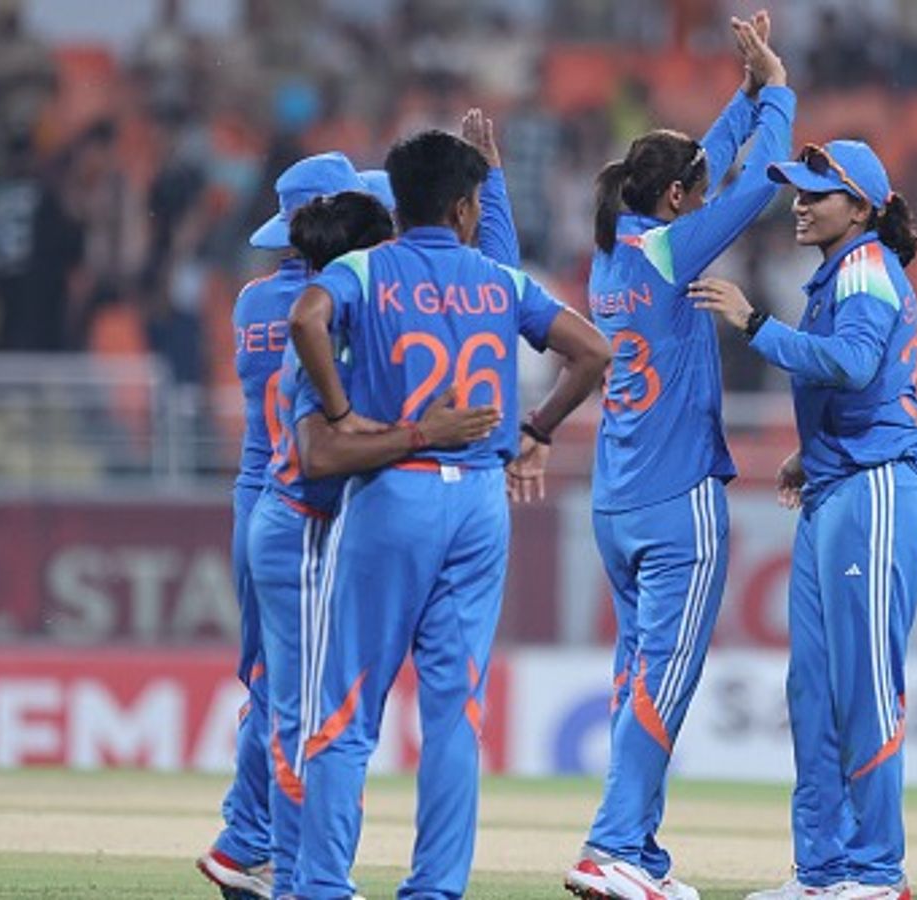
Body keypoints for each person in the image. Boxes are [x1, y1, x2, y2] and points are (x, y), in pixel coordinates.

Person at [287, 128, 609, 900]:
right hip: (477, 501)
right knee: (454, 710)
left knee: (345, 708)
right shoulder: (500, 281)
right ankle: (435, 888)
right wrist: (536, 429)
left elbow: (305, 319)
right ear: (467, 208)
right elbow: (594, 352)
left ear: (399, 203)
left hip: (395, 486)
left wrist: (339, 411)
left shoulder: (365, 268)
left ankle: (324, 885)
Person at [563, 13, 793, 900]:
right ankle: (613, 848)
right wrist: (777, 91)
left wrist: (738, 99)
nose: (701, 202)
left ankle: (639, 852)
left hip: (617, 500)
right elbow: (757, 186)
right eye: (691, 195)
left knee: (637, 677)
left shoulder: (614, 252)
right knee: (665, 682)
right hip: (677, 499)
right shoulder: (671, 246)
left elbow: (701, 170)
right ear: (673, 203)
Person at [689, 139, 917, 900]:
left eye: (816, 193)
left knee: (861, 684)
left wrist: (754, 323)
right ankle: (824, 870)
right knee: (815, 687)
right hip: (840, 483)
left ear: (861, 208)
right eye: (796, 191)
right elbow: (860, 376)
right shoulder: (840, 271)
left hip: (877, 487)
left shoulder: (862, 265)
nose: (799, 203)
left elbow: (857, 363)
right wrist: (814, 449)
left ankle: (875, 870)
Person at [199, 149, 373, 900]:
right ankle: (259, 846)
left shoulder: (252, 301)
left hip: (253, 496)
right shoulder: (339, 304)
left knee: (269, 682)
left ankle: (248, 840)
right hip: (305, 504)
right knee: (295, 693)